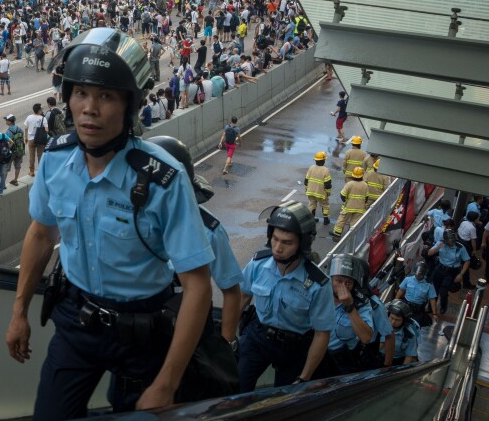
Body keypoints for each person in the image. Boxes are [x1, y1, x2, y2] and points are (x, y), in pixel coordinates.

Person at [5, 28, 214, 418]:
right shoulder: (55, 159)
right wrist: (18, 312)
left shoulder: (162, 179)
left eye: (105, 96)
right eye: (81, 93)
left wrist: (166, 383)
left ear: (128, 106)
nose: (90, 108)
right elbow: (40, 232)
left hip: (142, 331)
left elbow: (197, 284)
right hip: (76, 319)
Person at [148, 136, 244, 343]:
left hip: (187, 329)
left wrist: (227, 344)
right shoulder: (130, 220)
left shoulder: (209, 231)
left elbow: (232, 291)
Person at [237, 201, 333, 391]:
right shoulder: (257, 264)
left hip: (295, 347)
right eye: (275, 239)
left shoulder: (318, 283)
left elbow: (322, 334)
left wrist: (304, 378)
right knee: (235, 386)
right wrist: (227, 339)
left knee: (285, 398)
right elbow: (242, 298)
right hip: (258, 336)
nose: (278, 248)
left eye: (287, 242)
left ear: (302, 243)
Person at [324, 254, 378, 376]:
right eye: (339, 281)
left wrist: (350, 307)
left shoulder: (362, 304)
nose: (343, 286)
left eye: (348, 282)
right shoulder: (320, 294)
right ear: (331, 279)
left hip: (341, 361)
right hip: (316, 353)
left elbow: (366, 337)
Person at [428, 229, 470, 314]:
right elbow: (429, 253)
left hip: (451, 272)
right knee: (433, 289)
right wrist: (438, 247)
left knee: (443, 292)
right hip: (439, 268)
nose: (451, 242)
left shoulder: (460, 247)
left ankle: (443, 305)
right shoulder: (441, 243)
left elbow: (467, 260)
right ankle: (431, 307)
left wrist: (461, 274)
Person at [395, 262, 438, 327]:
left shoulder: (429, 284)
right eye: (416, 274)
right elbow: (401, 290)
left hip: (418, 310)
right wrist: (395, 301)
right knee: (402, 323)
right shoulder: (408, 279)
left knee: (415, 326)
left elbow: (432, 300)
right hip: (406, 306)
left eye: (420, 275)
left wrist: (435, 314)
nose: (418, 276)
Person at [332, 167, 368, 239]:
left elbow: (342, 195)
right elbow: (366, 198)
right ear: (362, 175)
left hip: (349, 206)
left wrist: (345, 201)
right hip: (360, 207)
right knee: (355, 222)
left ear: (353, 175)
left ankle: (337, 234)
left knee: (342, 220)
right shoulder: (365, 184)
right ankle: (350, 235)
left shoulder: (349, 184)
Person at [382, 300, 421, 365]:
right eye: (391, 318)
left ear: (404, 321)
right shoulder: (380, 325)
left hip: (396, 361)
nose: (393, 322)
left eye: (397, 320)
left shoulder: (410, 335)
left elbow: (409, 356)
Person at [304, 151, 332, 225]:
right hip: (321, 193)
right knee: (325, 205)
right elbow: (328, 184)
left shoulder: (311, 168)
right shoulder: (326, 170)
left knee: (312, 204)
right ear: (324, 160)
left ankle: (311, 219)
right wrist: (328, 192)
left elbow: (306, 180)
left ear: (315, 160)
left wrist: (306, 188)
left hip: (310, 191)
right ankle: (326, 220)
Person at [23, 103, 49, 177]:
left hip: (31, 139)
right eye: (41, 109)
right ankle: (41, 171)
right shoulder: (43, 119)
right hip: (40, 140)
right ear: (39, 110)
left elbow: (26, 128)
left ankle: (31, 171)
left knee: (32, 156)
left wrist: (26, 138)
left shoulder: (29, 117)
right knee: (40, 155)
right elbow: (47, 130)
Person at [4, 114, 25, 187]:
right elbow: (22, 137)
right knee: (18, 166)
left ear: (10, 122)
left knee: (6, 167)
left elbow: (9, 143)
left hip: (12, 152)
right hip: (19, 150)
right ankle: (15, 180)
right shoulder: (19, 129)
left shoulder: (8, 131)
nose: (6, 121)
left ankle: (2, 184)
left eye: (6, 120)